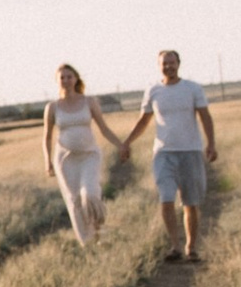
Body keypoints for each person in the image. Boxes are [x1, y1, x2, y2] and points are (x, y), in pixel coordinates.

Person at [119, 45, 219, 259]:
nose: (168, 67)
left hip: (190, 151)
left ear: (178, 64)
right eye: (164, 63)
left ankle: (191, 247)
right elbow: (144, 121)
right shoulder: (153, 91)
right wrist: (127, 142)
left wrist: (210, 144)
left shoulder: (193, 89)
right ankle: (175, 246)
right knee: (166, 199)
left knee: (190, 203)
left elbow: (205, 117)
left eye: (172, 63)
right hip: (163, 153)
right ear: (159, 66)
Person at [41, 63, 124, 247]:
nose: (66, 80)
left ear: (76, 79)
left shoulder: (89, 102)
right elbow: (46, 137)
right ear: (57, 81)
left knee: (90, 193)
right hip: (65, 160)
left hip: (89, 155)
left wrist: (121, 145)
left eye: (69, 76)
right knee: (75, 200)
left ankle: (98, 227)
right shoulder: (52, 107)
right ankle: (87, 242)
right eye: (62, 77)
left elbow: (103, 128)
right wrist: (48, 161)